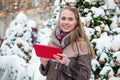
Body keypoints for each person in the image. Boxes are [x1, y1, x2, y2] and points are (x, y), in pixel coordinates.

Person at [39, 6, 95, 80]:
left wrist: (68, 63)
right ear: (59, 20)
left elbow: (85, 76)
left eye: (70, 19)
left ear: (76, 22)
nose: (66, 22)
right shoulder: (52, 42)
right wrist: (44, 64)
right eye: (63, 18)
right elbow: (45, 73)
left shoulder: (81, 44)